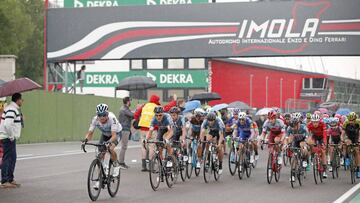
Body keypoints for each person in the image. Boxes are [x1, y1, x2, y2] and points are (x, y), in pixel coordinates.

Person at [83, 103, 122, 186]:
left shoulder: (112, 119)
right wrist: (85, 140)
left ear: (107, 114)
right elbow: (90, 133)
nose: (102, 117)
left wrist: (108, 142)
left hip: (116, 134)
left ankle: (116, 165)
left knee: (110, 149)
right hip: (105, 135)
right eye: (99, 115)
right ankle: (101, 176)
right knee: (100, 155)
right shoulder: (95, 119)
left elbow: (114, 135)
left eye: (104, 115)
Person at [134, 94, 176, 171]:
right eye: (156, 115)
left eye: (160, 115)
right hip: (158, 128)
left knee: (167, 144)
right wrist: (146, 139)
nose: (158, 117)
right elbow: (150, 130)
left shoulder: (167, 117)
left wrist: (166, 139)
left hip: (168, 129)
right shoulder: (154, 118)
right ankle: (161, 162)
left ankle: (171, 160)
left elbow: (171, 131)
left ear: (162, 114)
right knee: (157, 146)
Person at [0, 93, 24, 188]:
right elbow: (7, 124)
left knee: (12, 158)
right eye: (22, 99)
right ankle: (4, 180)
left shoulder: (13, 109)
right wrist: (11, 136)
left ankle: (10, 179)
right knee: (7, 158)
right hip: (8, 138)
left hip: (9, 137)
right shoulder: (11, 109)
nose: (22, 101)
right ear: (18, 100)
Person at [286, 116, 310, 181]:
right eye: (292, 126)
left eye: (294, 126)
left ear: (298, 124)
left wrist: (306, 145)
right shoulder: (289, 128)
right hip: (295, 141)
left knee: (302, 146)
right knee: (294, 156)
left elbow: (308, 138)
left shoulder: (303, 127)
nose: (293, 128)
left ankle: (305, 159)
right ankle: (293, 175)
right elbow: (287, 138)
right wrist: (287, 145)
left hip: (303, 140)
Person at [307, 113, 328, 178]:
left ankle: (324, 170)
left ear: (319, 121)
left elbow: (325, 135)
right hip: (314, 137)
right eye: (314, 122)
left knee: (323, 151)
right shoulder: (309, 125)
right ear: (312, 122)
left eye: (316, 122)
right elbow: (308, 135)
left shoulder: (322, 124)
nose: (315, 124)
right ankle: (313, 156)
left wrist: (324, 143)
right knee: (310, 144)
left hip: (322, 137)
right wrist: (308, 142)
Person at [341, 112, 360, 178]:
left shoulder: (358, 122)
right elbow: (343, 134)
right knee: (347, 144)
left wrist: (359, 141)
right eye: (350, 120)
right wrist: (343, 140)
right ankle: (347, 158)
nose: (351, 122)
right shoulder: (346, 123)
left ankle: (358, 169)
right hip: (348, 136)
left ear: (355, 119)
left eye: (352, 120)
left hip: (356, 136)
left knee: (357, 151)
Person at [118, 97, 134, 169]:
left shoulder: (125, 109)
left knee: (123, 146)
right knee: (124, 146)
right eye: (130, 101)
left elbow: (131, 113)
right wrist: (138, 109)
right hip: (124, 129)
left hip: (124, 129)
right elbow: (132, 115)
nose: (131, 102)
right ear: (128, 101)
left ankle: (120, 162)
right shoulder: (124, 109)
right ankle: (121, 163)